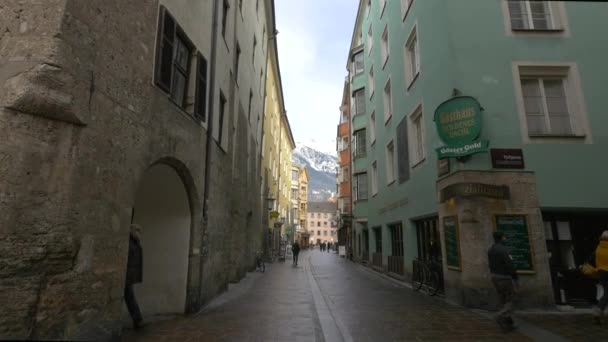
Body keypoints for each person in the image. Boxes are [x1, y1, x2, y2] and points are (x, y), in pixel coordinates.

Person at [488, 231, 518, 331]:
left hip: (494, 276)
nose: (505, 239)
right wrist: (514, 276)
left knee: (502, 299)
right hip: (504, 277)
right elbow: (509, 264)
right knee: (510, 299)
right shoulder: (504, 250)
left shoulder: (491, 249)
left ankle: (508, 323)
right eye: (504, 237)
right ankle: (500, 315)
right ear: (502, 238)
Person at [125, 224, 144, 330]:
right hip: (129, 273)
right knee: (129, 296)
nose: (139, 233)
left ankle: (138, 319)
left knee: (129, 296)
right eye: (137, 230)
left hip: (129, 273)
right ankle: (138, 319)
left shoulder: (134, 242)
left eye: (139, 231)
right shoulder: (132, 242)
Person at [590, 231, 608, 324]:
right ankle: (599, 310)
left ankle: (598, 311)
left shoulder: (598, 248)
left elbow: (595, 261)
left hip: (602, 272)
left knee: (606, 293)